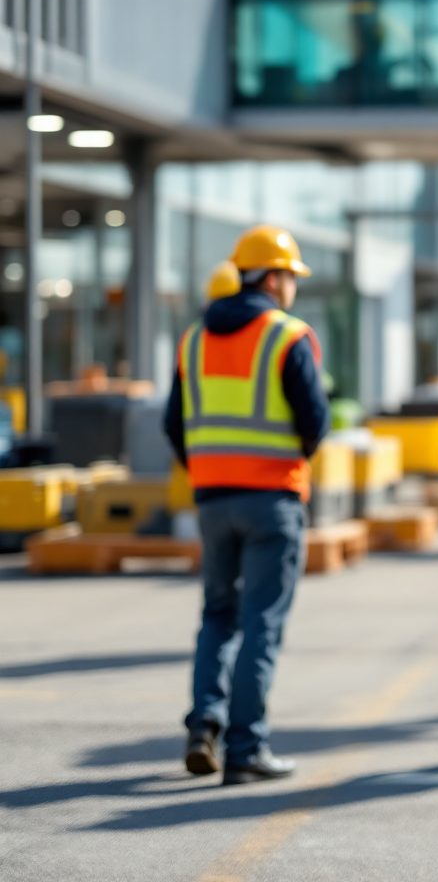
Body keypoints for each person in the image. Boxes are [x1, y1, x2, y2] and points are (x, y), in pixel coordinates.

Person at [164, 225, 331, 786]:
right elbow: (315, 421)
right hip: (272, 498)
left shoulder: (193, 339)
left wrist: (211, 467)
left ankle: (203, 727)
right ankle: (245, 748)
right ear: (274, 277)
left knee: (217, 615)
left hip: (212, 499)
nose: (293, 289)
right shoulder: (288, 336)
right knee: (262, 622)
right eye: (291, 277)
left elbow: (173, 423)